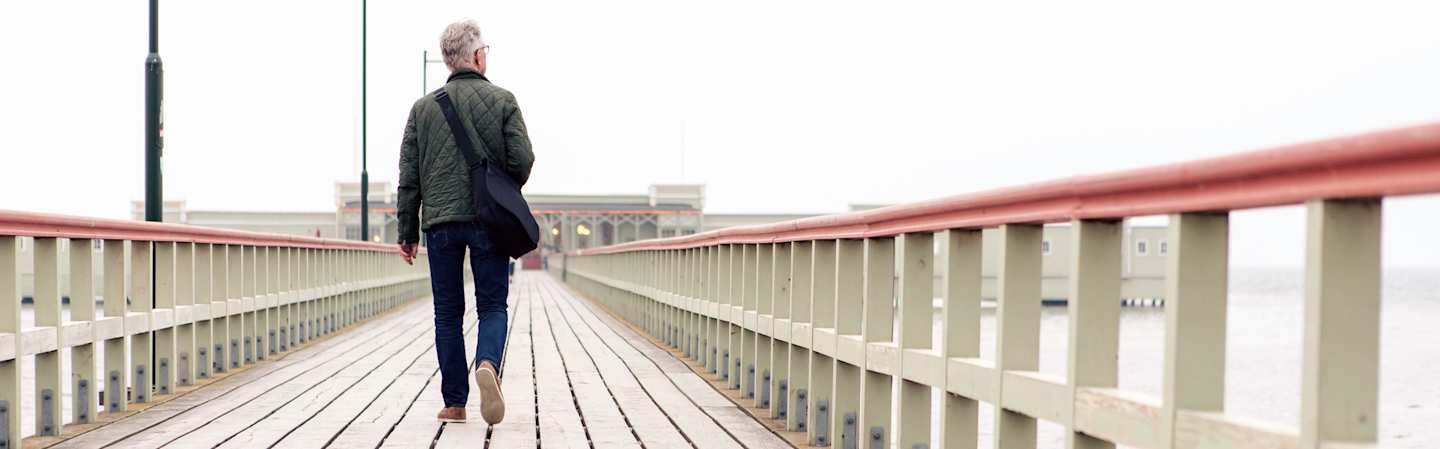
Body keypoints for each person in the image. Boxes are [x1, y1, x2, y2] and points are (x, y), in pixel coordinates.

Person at [396, 18, 535, 425]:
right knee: (492, 304)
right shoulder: (504, 100)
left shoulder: (423, 109)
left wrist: (407, 232)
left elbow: (409, 177)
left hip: (439, 222)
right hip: (488, 218)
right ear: (477, 56)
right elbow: (522, 159)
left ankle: (454, 402)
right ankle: (487, 363)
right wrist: (502, 186)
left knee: (447, 313)